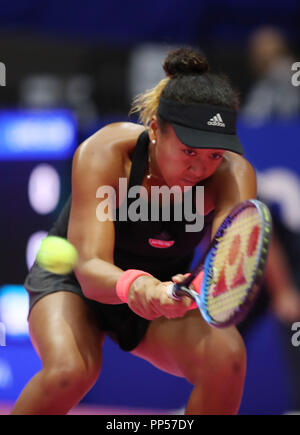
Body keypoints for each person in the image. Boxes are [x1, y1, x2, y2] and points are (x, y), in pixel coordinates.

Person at [13, 48, 256, 415]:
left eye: (214, 155)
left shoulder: (233, 177)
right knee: (70, 371)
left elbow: (223, 265)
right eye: (189, 151)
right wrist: (139, 287)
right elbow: (91, 267)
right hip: (75, 280)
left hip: (160, 288)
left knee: (228, 356)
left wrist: (191, 288)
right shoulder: (106, 152)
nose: (201, 168)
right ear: (156, 128)